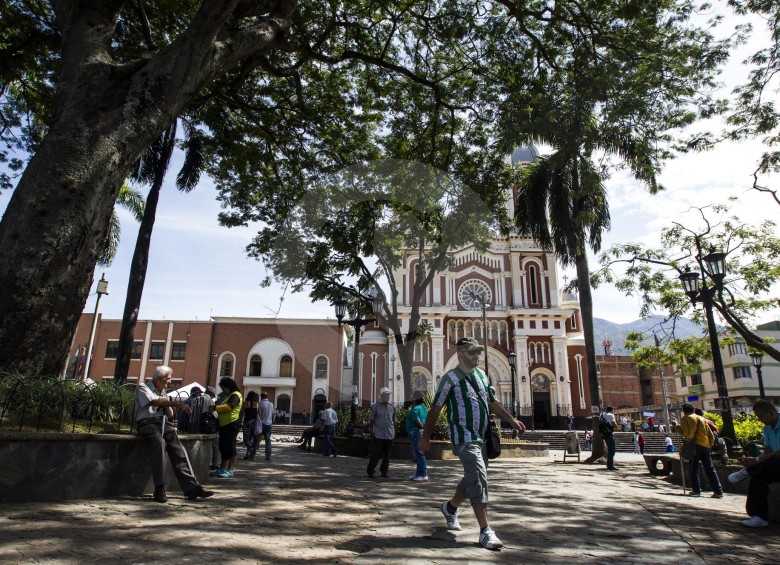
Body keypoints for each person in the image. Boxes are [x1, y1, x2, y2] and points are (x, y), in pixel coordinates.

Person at [419, 337, 526, 550]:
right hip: (463, 437)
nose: (477, 356)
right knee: (478, 475)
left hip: (481, 437)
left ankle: (450, 508)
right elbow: (435, 409)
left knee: (472, 478)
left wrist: (511, 419)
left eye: (478, 352)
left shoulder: (481, 375)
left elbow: (492, 402)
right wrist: (425, 436)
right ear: (460, 355)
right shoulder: (449, 379)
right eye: (472, 352)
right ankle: (485, 530)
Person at [134, 365, 213, 502]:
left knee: (178, 448)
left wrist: (169, 404)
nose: (170, 382)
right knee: (159, 443)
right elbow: (153, 401)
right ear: (159, 379)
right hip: (147, 423)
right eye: (168, 379)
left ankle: (191, 487)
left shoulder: (163, 392)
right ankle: (160, 488)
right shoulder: (143, 388)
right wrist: (175, 403)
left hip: (163, 423)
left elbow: (169, 413)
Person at [728, 399, 780, 528]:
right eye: (757, 417)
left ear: (772, 413)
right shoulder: (767, 429)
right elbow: (767, 451)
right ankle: (759, 517)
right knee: (758, 478)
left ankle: (747, 472)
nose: (760, 419)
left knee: (771, 461)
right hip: (774, 466)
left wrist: (757, 461)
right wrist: (755, 460)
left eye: (761, 416)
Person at [673, 403, 723, 498]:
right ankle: (718, 491)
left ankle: (696, 490)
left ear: (684, 411)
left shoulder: (686, 418)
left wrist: (677, 427)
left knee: (693, 469)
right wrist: (709, 445)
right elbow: (710, 435)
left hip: (694, 447)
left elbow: (688, 434)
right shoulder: (702, 419)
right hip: (705, 446)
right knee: (710, 469)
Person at [212, 376, 242, 478]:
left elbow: (229, 407)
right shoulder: (229, 395)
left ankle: (230, 470)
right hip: (224, 424)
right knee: (223, 447)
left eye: (223, 388)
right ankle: (222, 469)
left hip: (231, 423)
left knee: (230, 446)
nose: (223, 390)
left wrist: (216, 407)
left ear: (228, 386)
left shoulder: (236, 395)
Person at [367, 387, 396, 478]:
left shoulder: (393, 406)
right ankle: (371, 470)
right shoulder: (376, 406)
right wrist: (371, 431)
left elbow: (393, 419)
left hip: (389, 433)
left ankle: (384, 471)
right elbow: (372, 420)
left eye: (388, 395)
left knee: (387, 454)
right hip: (379, 433)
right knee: (376, 453)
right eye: (385, 395)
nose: (387, 397)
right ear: (381, 396)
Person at [406, 391, 429, 481]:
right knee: (419, 453)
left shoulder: (415, 409)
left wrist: (422, 427)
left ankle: (423, 474)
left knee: (419, 453)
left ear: (415, 398)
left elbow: (417, 421)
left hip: (416, 432)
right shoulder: (424, 407)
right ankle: (418, 474)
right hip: (421, 432)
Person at [242, 391, 260, 460]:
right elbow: (259, 414)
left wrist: (240, 421)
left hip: (246, 423)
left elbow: (241, 413)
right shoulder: (257, 404)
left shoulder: (245, 403)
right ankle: (248, 454)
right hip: (254, 423)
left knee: (246, 439)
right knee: (251, 439)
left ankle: (250, 448)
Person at [258, 392, 274, 461]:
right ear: (267, 396)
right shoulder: (271, 404)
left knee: (256, 439)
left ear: (261, 397)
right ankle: (268, 455)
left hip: (261, 424)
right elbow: (272, 413)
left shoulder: (260, 404)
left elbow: (258, 413)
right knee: (268, 440)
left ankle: (252, 454)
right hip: (269, 424)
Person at [601, 406, 616, 471]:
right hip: (610, 433)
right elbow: (613, 423)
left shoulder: (601, 415)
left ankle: (609, 463)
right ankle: (610, 465)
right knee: (612, 450)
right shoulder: (611, 415)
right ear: (611, 410)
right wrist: (615, 426)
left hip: (603, 434)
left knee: (609, 448)